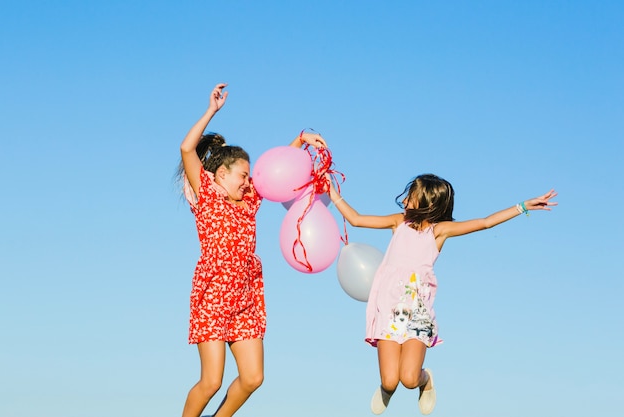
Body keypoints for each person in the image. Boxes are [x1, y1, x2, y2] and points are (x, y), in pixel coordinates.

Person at [328, 173, 557, 415]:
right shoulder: (399, 222)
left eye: (411, 196)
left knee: (408, 378)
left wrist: (522, 206)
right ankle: (387, 388)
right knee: (389, 381)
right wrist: (330, 190)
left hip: (417, 314)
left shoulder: (439, 231)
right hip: (388, 309)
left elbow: (485, 222)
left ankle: (425, 379)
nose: (405, 199)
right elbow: (355, 219)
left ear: (426, 201)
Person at [178, 83, 326, 417]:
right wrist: (211, 111)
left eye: (249, 177)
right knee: (211, 381)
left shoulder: (249, 202)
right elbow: (187, 150)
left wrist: (301, 140)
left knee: (253, 377)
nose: (248, 182)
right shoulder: (208, 196)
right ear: (220, 174)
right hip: (213, 295)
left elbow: (278, 172)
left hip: (246, 297)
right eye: (243, 175)